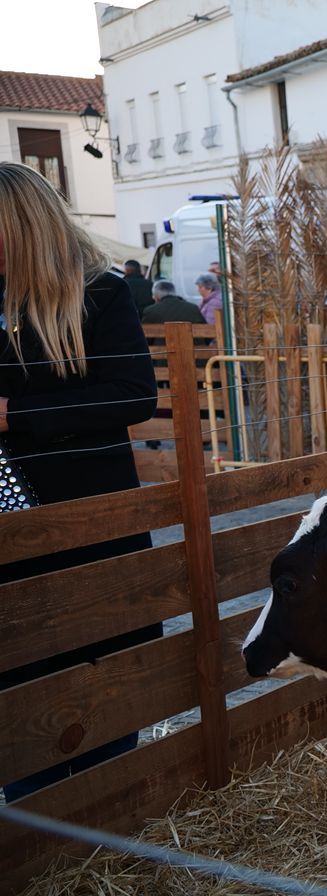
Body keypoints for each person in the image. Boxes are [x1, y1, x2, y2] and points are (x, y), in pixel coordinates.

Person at [0, 161, 159, 800]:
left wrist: (16, 415)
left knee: (101, 651)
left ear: (22, 228)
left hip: (89, 512)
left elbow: (132, 394)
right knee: (19, 660)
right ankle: (35, 813)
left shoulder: (97, 292)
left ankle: (108, 803)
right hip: (11, 522)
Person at [141, 278, 206, 324]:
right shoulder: (193, 308)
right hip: (192, 343)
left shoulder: (150, 311)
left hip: (162, 344)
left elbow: (145, 337)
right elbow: (206, 336)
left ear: (157, 297)